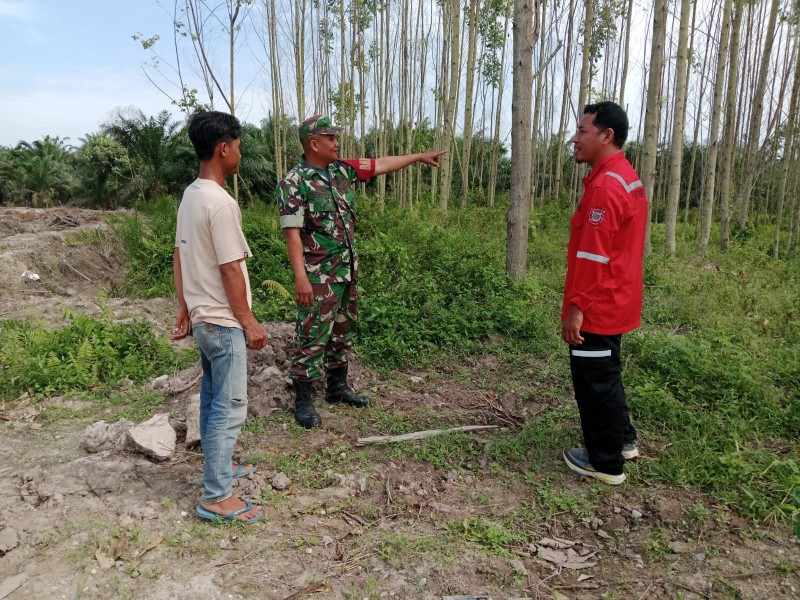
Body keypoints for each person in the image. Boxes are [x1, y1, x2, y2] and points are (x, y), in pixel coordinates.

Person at [276, 114, 445, 428]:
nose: (336, 142)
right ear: (314, 143)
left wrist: (418, 157)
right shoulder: (294, 182)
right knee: (312, 337)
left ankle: (337, 388)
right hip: (318, 278)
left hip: (346, 273)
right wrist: (301, 277)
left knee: (342, 333)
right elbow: (293, 235)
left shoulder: (341, 171)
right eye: (331, 138)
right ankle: (303, 400)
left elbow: (380, 164)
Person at [172, 109, 267, 523]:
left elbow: (180, 254)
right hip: (224, 324)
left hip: (203, 319)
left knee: (213, 402)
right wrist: (248, 322)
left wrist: (184, 306)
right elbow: (230, 268)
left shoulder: (191, 196)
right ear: (223, 148)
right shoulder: (220, 203)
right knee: (229, 408)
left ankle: (219, 470)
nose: (240, 155)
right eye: (239, 147)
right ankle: (216, 496)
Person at [561, 101, 647, 485]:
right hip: (616, 296)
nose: (575, 139)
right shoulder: (623, 175)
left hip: (598, 301)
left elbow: (593, 255)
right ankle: (624, 440)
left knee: (594, 379)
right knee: (607, 373)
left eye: (583, 132)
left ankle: (606, 462)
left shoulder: (607, 186)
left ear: (606, 136)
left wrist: (577, 307)